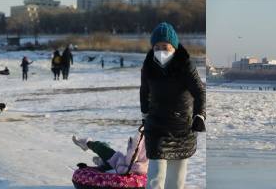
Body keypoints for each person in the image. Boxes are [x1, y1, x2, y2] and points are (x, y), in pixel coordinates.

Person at [141, 23, 206, 189]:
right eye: (157, 47)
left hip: (181, 127)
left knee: (175, 182)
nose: (161, 51)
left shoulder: (185, 65)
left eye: (165, 46)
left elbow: (199, 91)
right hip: (156, 126)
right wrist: (144, 114)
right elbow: (144, 90)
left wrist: (200, 115)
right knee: (155, 175)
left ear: (174, 47)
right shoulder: (148, 65)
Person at [72, 128, 148, 175]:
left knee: (101, 147)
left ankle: (86, 143)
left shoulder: (141, 166)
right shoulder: (147, 160)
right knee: (105, 147)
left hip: (117, 163)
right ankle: (101, 161)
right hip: (119, 162)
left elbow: (127, 165)